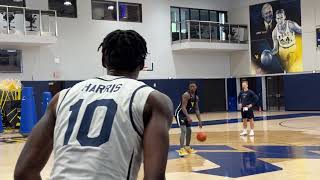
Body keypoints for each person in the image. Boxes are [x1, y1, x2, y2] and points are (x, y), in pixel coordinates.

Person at [14, 30, 173, 180]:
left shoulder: (61, 97)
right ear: (142, 63)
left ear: (104, 61)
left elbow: (24, 172)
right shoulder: (152, 100)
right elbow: (154, 178)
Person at [174, 82, 202, 157]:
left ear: (196, 87)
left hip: (186, 114)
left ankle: (187, 147)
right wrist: (188, 117)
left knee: (189, 130)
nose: (192, 87)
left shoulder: (196, 97)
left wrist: (199, 120)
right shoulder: (186, 95)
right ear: (189, 88)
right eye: (191, 86)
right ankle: (181, 149)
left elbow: (196, 109)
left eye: (194, 86)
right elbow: (183, 107)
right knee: (183, 130)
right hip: (179, 114)